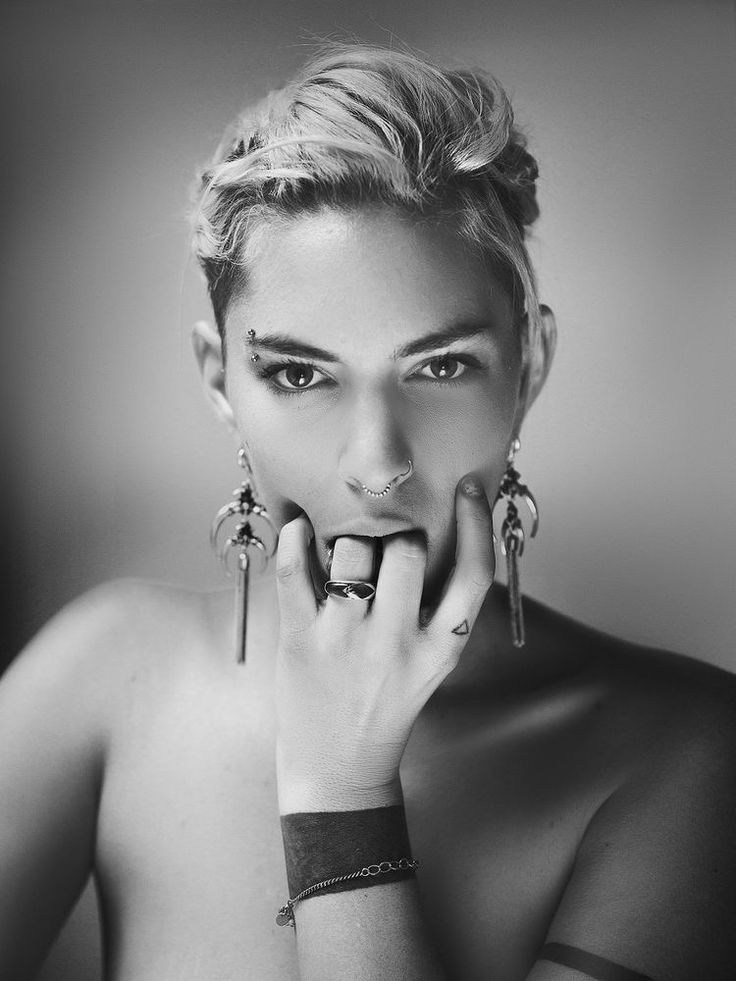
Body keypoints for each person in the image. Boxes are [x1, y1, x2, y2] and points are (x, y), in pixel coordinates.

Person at [1, 40, 734, 981]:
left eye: (439, 366)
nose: (376, 463)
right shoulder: (106, 675)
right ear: (222, 380)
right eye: (300, 373)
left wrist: (338, 793)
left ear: (531, 366)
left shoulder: (687, 753)